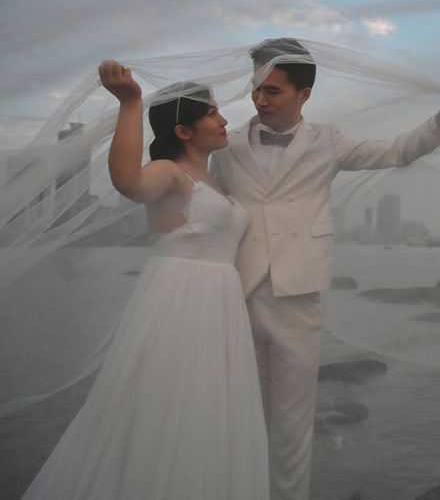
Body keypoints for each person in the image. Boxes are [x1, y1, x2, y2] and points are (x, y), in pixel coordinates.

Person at [209, 37, 440, 500]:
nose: (259, 99)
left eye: (273, 91)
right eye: (256, 89)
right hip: (236, 292)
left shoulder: (328, 140)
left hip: (298, 295)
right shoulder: (225, 146)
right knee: (235, 414)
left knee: (291, 421)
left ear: (304, 93)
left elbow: (397, 150)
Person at [22, 61, 269, 500]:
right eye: (212, 113)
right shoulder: (169, 172)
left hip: (221, 307)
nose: (224, 118)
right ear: (184, 132)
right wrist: (131, 103)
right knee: (171, 407)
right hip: (181, 303)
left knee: (209, 412)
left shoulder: (216, 177)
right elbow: (128, 181)